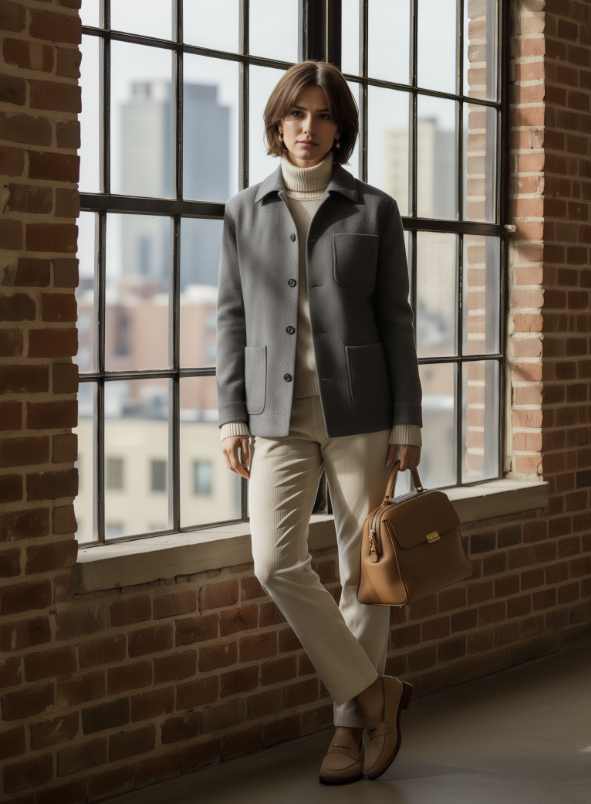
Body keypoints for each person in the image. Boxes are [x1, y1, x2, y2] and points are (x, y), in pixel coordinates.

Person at [216, 59, 422, 785]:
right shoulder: (244, 210)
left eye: (323, 114)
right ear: (276, 123)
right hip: (275, 416)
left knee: (361, 573)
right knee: (274, 561)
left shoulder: (375, 209)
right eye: (295, 114)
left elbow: (395, 321)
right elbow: (232, 320)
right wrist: (230, 412)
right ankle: (369, 696)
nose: (308, 128)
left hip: (363, 412)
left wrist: (407, 421)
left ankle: (345, 733)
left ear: (341, 126)